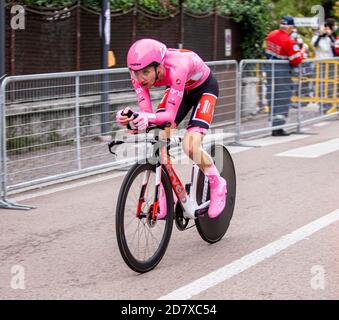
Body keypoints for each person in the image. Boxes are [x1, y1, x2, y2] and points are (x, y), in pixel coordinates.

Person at [115, 39, 226, 219]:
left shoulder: (177, 68)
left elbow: (168, 116)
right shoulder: (138, 76)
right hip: (180, 90)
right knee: (159, 136)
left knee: (190, 146)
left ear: (159, 67)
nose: (140, 78)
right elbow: (147, 114)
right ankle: (168, 193)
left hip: (203, 89)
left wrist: (145, 118)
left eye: (145, 72)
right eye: (135, 73)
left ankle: (217, 184)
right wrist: (131, 120)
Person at [265, 16, 304, 136]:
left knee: (272, 96)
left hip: (270, 70)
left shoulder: (271, 35)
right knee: (283, 98)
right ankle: (278, 127)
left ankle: (274, 124)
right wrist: (301, 52)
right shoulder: (288, 40)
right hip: (283, 73)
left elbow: (266, 52)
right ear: (290, 27)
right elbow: (296, 60)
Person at [311, 18, 337, 114]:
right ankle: (322, 106)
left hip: (330, 64)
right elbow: (315, 44)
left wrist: (329, 35)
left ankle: (330, 105)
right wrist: (320, 36)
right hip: (320, 65)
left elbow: (334, 46)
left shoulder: (328, 38)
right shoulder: (315, 37)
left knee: (330, 85)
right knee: (321, 85)